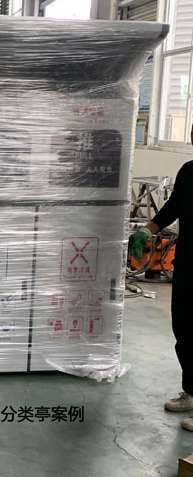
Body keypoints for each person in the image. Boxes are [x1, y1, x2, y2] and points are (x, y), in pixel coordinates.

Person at [129, 124, 193, 431]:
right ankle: (191, 391)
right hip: (188, 265)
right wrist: (147, 229)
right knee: (185, 329)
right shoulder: (189, 171)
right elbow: (173, 207)